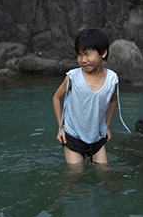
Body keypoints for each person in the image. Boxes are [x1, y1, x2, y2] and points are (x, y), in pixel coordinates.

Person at [52, 28, 130, 165]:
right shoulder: (73, 77)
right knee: (76, 175)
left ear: (103, 53)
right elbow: (56, 98)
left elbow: (113, 100)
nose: (83, 60)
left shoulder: (112, 79)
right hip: (72, 136)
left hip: (97, 136)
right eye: (79, 55)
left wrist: (107, 125)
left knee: (104, 173)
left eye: (87, 54)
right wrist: (61, 127)